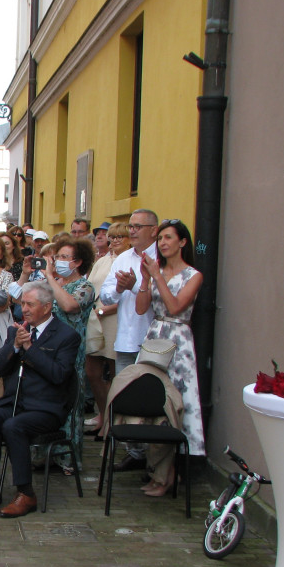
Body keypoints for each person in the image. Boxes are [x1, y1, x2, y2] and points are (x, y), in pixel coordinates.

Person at [0, 281, 80, 518]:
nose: (25, 309)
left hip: (46, 407)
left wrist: (30, 348)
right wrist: (13, 345)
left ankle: (25, 492)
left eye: (30, 304)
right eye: (22, 303)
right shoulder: (16, 330)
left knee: (14, 426)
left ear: (46, 307)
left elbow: (59, 375)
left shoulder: (66, 336)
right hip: (15, 401)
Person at [135, 219, 204, 494]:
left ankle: (170, 473)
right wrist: (145, 279)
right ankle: (155, 470)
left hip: (178, 339)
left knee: (177, 405)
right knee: (152, 402)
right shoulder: (157, 271)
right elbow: (142, 308)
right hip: (155, 336)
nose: (162, 243)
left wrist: (158, 276)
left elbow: (176, 307)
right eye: (160, 238)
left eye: (168, 238)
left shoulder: (193, 275)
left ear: (182, 242)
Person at [98, 209, 159, 472]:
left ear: (153, 230)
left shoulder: (161, 256)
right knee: (126, 398)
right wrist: (121, 288)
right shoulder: (123, 258)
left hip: (154, 340)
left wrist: (135, 285)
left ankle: (155, 456)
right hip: (126, 338)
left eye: (138, 226)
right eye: (131, 226)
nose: (132, 231)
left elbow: (162, 297)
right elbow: (107, 296)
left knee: (153, 400)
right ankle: (134, 452)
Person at [43, 236, 96, 472]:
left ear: (77, 262)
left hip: (72, 352)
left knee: (71, 404)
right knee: (47, 400)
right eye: (57, 257)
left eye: (64, 257)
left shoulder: (85, 287)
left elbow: (69, 306)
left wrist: (50, 279)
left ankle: (69, 458)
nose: (58, 261)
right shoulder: (55, 284)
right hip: (47, 350)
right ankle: (46, 454)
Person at [84, 221, 128, 430]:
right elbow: (91, 287)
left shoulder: (128, 261)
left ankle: (113, 421)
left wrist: (103, 311)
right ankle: (102, 414)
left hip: (115, 320)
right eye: (113, 236)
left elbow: (126, 297)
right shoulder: (102, 261)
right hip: (94, 319)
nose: (116, 240)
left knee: (113, 371)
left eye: (121, 236)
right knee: (92, 371)